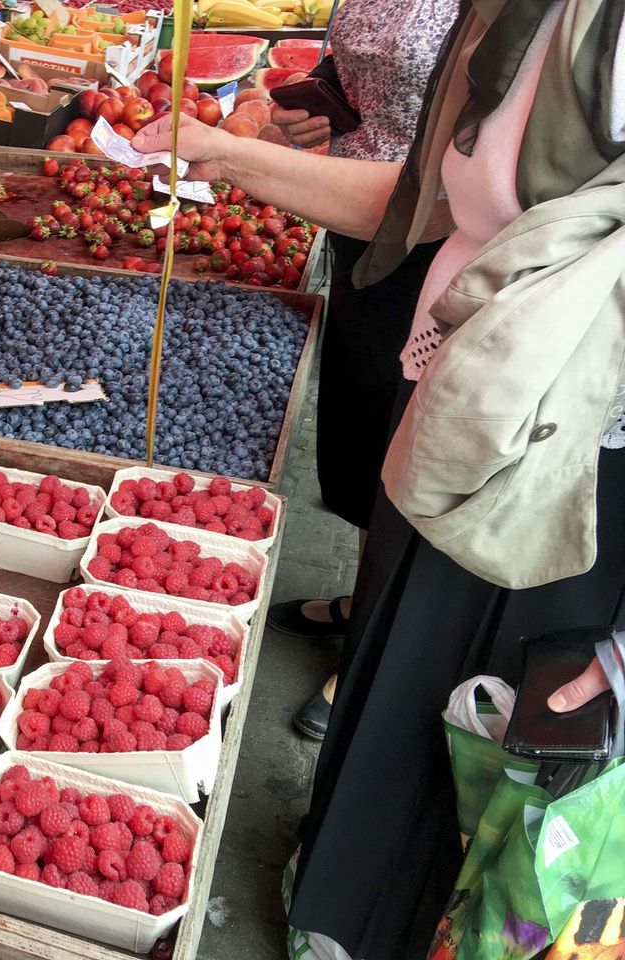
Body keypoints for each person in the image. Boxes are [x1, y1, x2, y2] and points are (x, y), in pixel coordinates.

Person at [134, 0, 625, 955]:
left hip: (566, 474)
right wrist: (224, 153)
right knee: (403, 690)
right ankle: (341, 907)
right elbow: (427, 203)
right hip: (456, 416)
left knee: (490, 751)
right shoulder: (515, 16)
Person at [258, 0, 459, 740]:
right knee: (363, 418)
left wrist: (237, 156)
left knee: (418, 447)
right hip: (355, 220)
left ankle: (376, 650)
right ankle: (362, 594)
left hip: (441, 241)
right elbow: (362, 63)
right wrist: (321, 99)